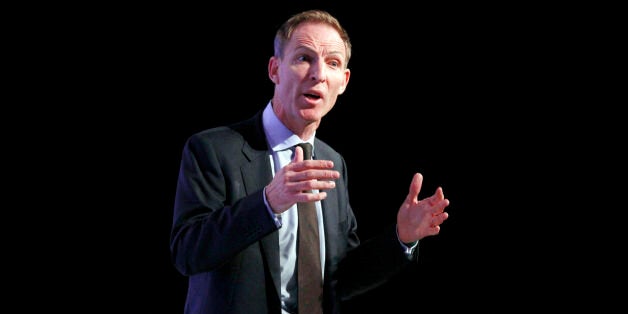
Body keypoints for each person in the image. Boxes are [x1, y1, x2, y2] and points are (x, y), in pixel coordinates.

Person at [170, 9, 450, 314]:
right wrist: (267, 202)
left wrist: (401, 238)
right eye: (304, 58)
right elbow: (188, 253)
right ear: (274, 69)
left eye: (332, 63)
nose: (318, 74)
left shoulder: (333, 163)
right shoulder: (212, 149)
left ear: (342, 82)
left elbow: (341, 279)